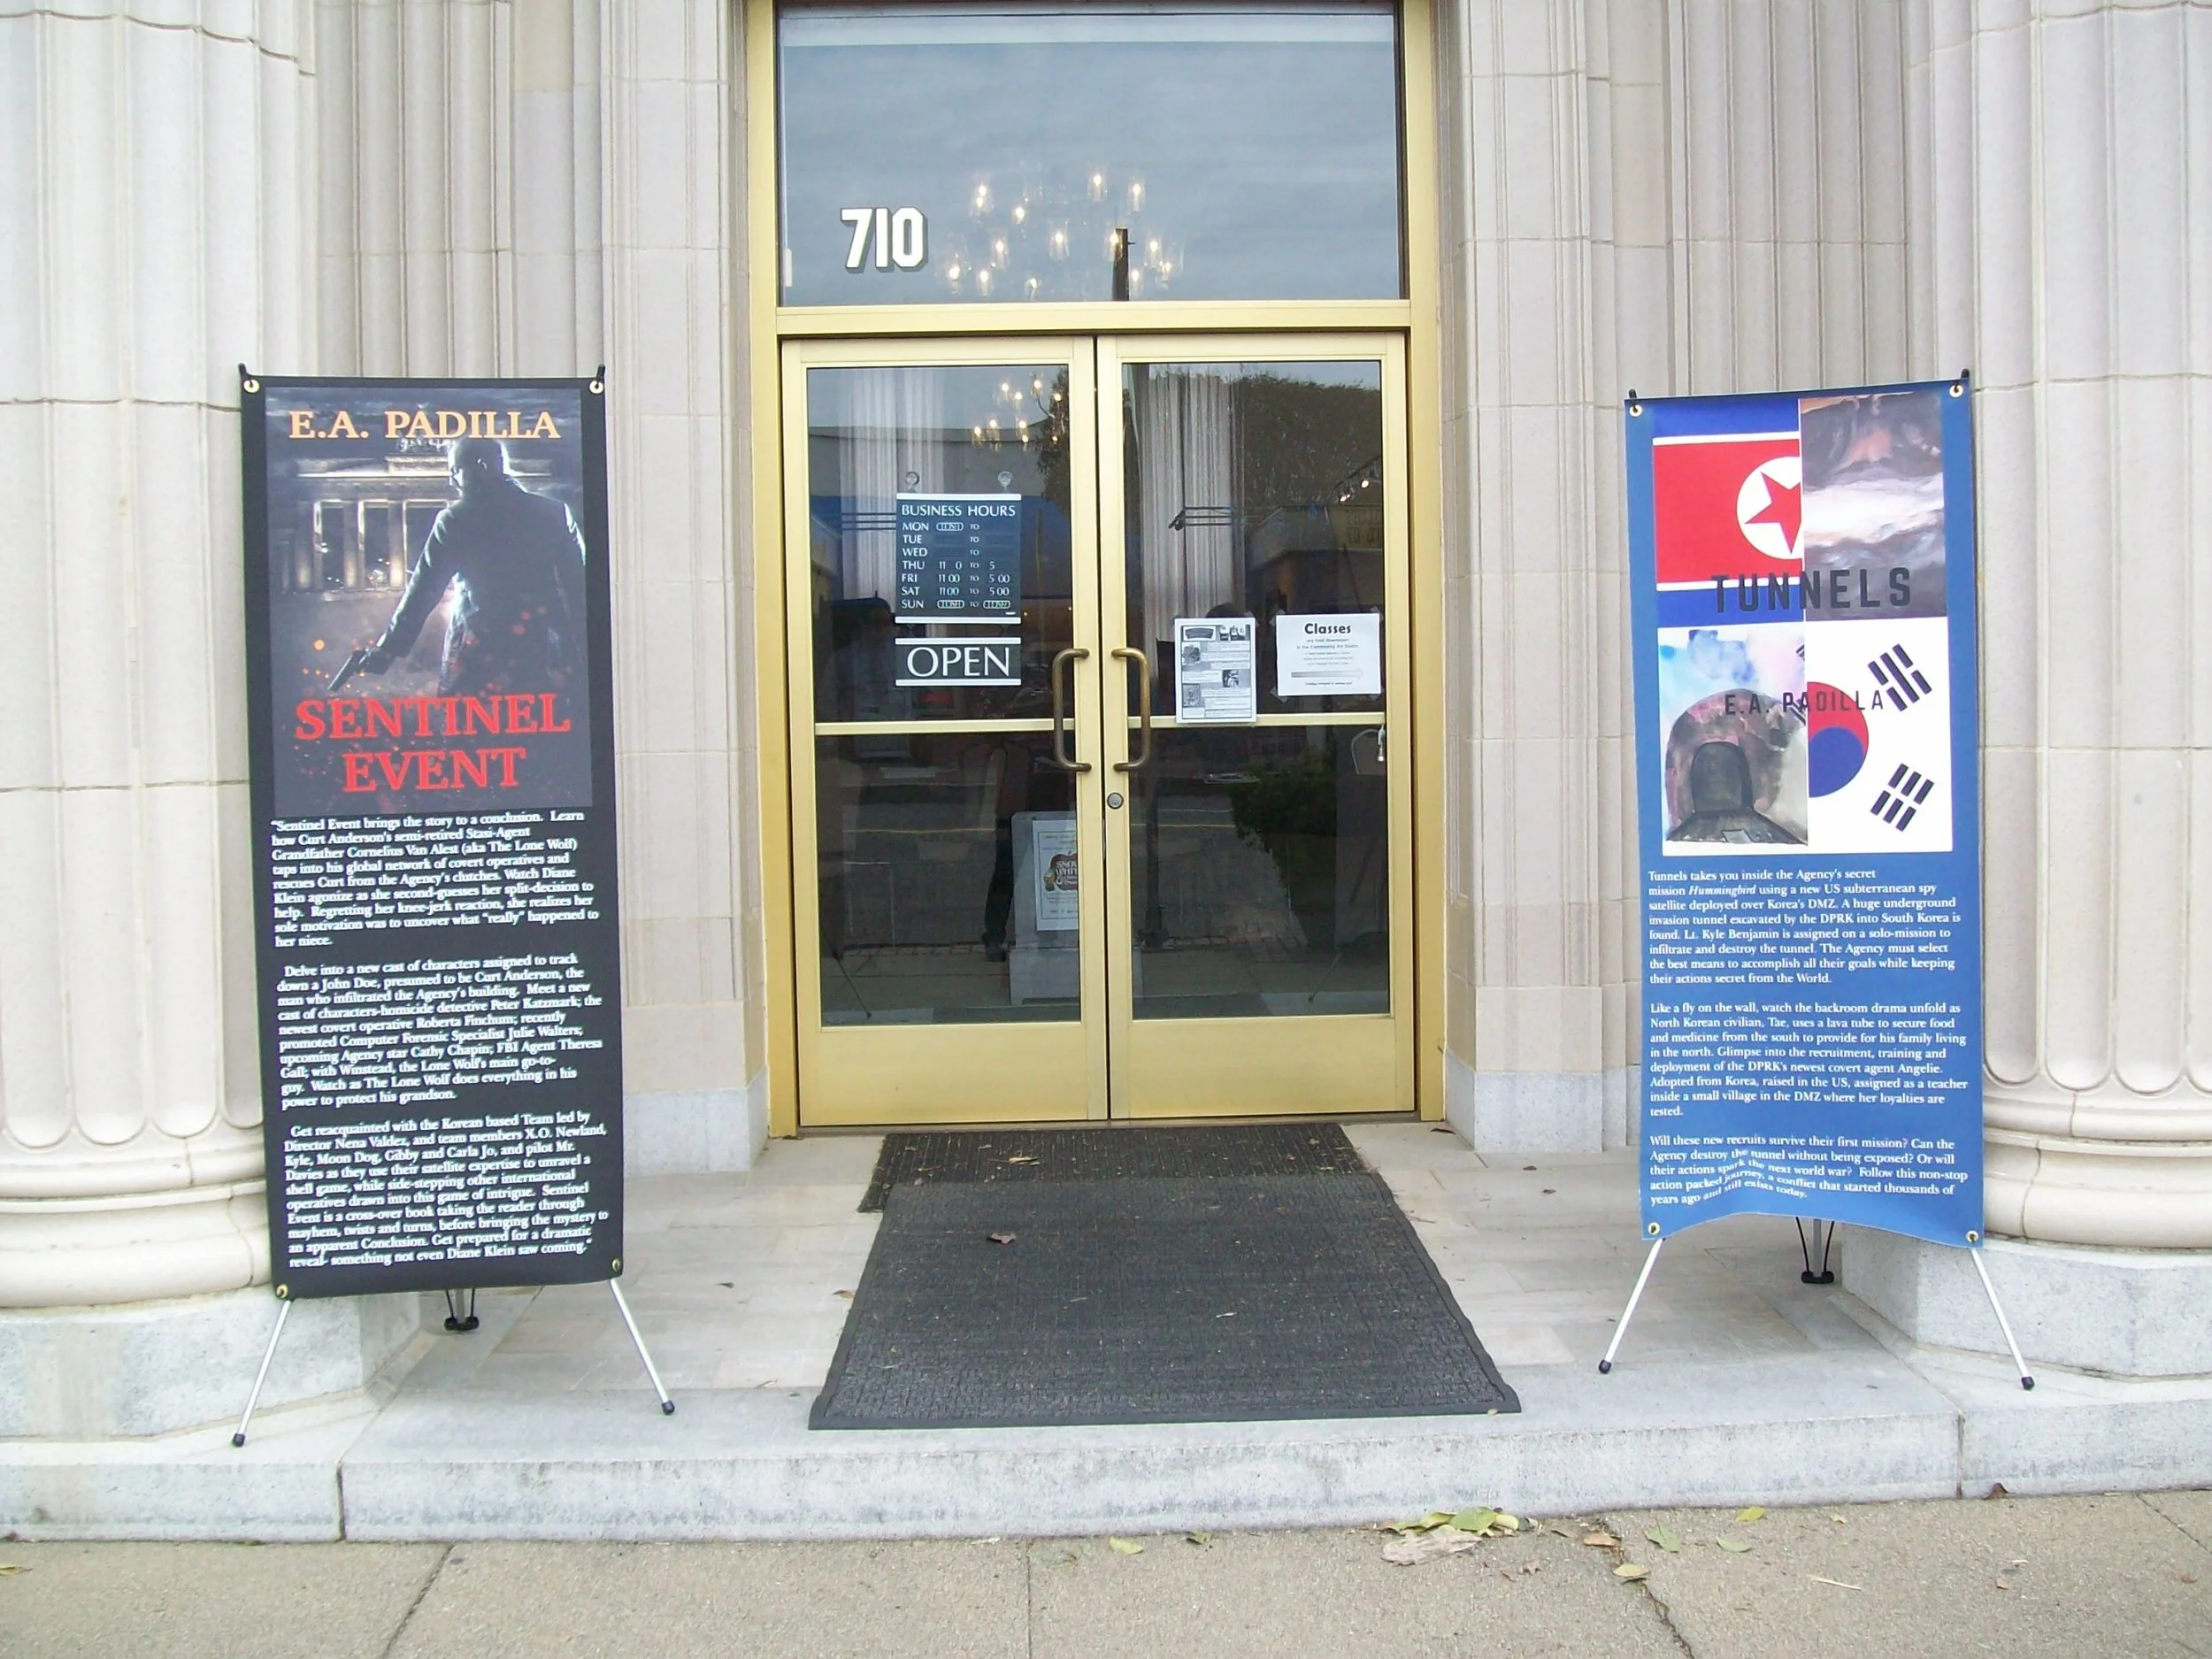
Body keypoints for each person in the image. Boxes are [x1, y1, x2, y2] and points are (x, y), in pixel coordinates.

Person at [354, 437, 586, 695]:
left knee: (471, 726)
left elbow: (424, 590)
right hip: (541, 647)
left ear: (481, 466)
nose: (452, 480)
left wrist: (388, 650)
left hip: (478, 650)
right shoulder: (554, 512)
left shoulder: (456, 519)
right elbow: (580, 586)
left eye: (455, 470)